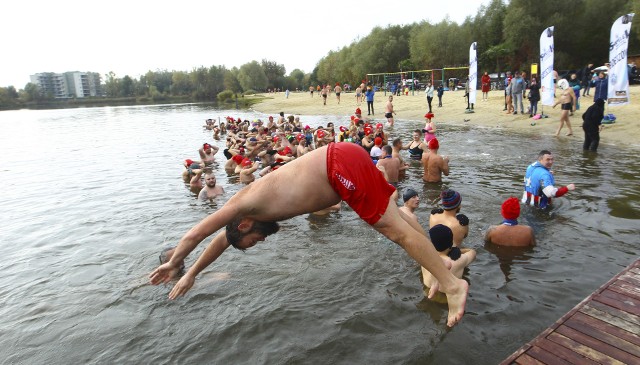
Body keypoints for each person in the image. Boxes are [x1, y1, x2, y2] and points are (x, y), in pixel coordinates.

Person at [149, 142, 469, 327]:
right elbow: (220, 242)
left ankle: (454, 286)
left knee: (395, 231)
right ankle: (440, 268)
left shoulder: (238, 206)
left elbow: (196, 233)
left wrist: (174, 261)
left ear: (244, 227)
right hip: (342, 158)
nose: (257, 243)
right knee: (397, 215)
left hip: (336, 167)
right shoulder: (243, 217)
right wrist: (192, 273)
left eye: (251, 242)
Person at [422, 224, 476, 300]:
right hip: (448, 299)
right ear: (451, 242)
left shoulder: (423, 255)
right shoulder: (459, 260)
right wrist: (457, 250)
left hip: (427, 293)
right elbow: (473, 252)